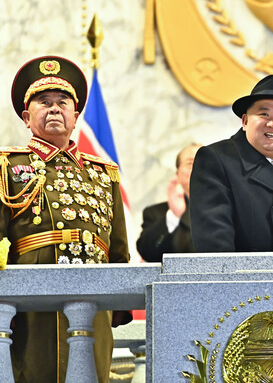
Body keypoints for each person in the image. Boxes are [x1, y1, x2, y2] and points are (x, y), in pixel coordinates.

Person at [0, 56, 130, 382]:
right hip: (29, 304)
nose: (54, 109)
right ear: (27, 117)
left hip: (94, 299)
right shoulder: (7, 166)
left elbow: (117, 251)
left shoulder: (102, 173)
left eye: (63, 103)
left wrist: (118, 305)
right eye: (44, 102)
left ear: (75, 117)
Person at [190, 75, 273, 252]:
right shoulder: (216, 159)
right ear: (245, 121)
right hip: (243, 278)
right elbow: (214, 244)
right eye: (264, 114)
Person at [137, 143, 201, 262]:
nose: (198, 167)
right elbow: (147, 253)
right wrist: (174, 216)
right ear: (177, 173)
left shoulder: (229, 209)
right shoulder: (155, 213)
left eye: (204, 162)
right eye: (190, 163)